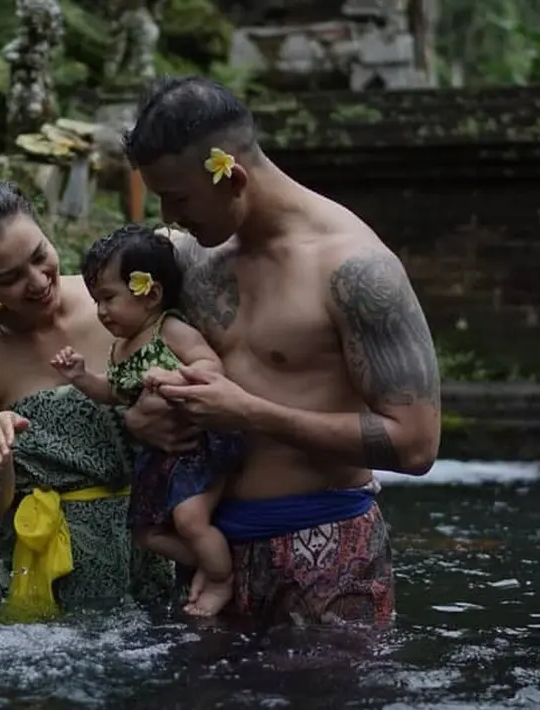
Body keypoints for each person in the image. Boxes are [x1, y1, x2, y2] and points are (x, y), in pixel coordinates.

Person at [120, 75, 442, 629]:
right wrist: (138, 415)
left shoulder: (356, 270)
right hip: (206, 552)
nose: (168, 217)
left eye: (178, 198)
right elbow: (110, 333)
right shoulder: (191, 257)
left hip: (324, 547)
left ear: (232, 177)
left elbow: (416, 445)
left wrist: (249, 413)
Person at [0, 180, 174, 623]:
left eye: (39, 255)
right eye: (10, 278)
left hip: (154, 542)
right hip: (50, 574)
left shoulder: (117, 303)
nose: (38, 281)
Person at [48, 223, 242, 617]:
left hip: (198, 447)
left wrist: (175, 378)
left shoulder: (169, 330)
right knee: (144, 531)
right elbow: (114, 393)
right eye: (96, 301)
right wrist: (81, 377)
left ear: (150, 294)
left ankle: (222, 577)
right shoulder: (121, 346)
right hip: (162, 455)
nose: (101, 311)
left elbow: (212, 367)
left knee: (189, 520)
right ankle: (211, 559)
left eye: (108, 298)